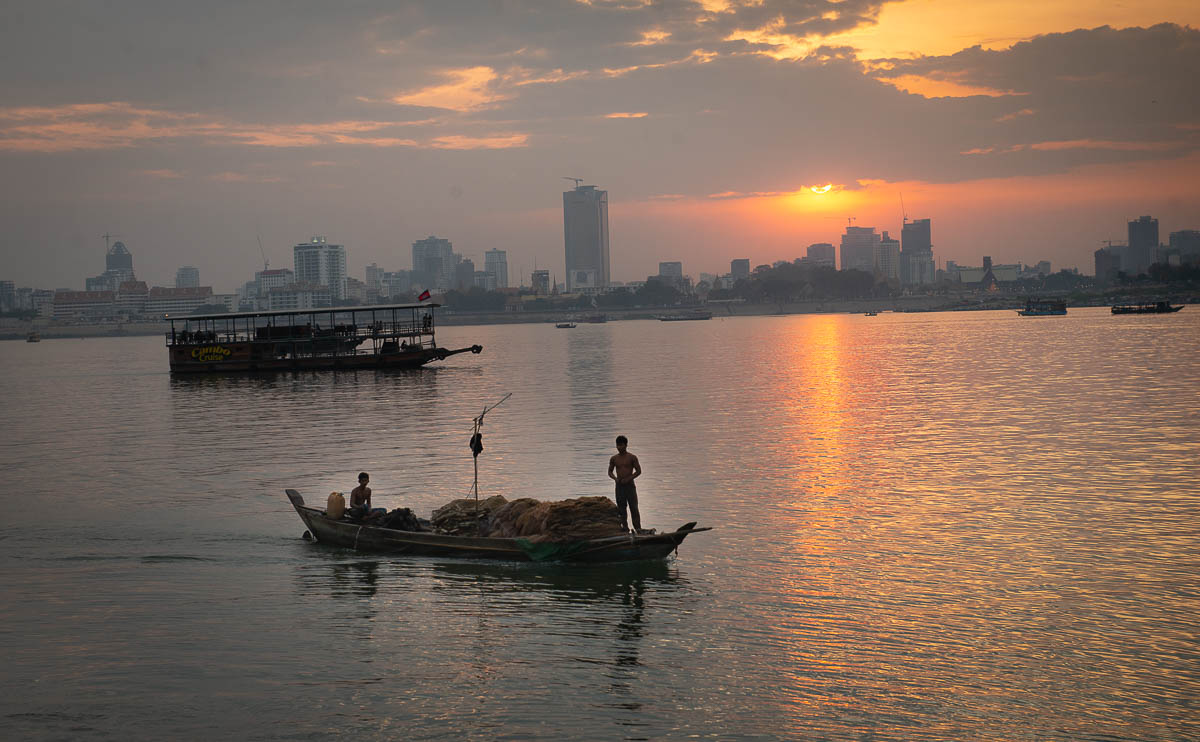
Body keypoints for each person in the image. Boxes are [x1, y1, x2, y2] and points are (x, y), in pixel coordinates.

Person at [608, 435, 642, 532]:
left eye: (621, 445)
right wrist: (615, 478)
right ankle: (625, 528)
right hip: (619, 486)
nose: (619, 447)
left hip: (630, 485)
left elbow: (638, 471)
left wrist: (629, 478)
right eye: (618, 445)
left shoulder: (632, 457)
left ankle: (638, 529)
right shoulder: (614, 458)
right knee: (621, 508)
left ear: (626, 445)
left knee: (634, 508)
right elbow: (610, 472)